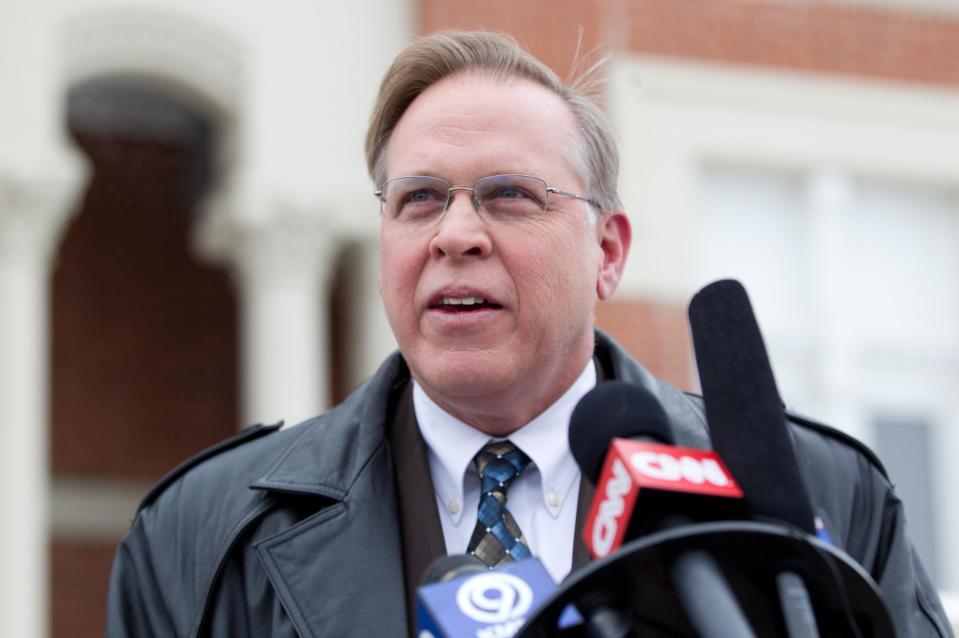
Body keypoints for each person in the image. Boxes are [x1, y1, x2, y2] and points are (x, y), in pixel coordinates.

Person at [105, 30, 952, 637]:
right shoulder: (200, 535)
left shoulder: (821, 499)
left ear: (607, 252)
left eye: (509, 194)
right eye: (420, 199)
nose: (454, 235)